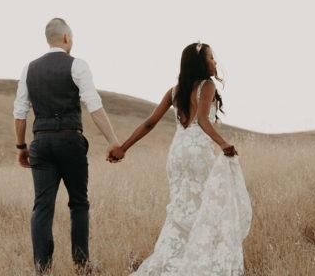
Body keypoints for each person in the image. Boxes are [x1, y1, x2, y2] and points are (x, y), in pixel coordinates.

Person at [108, 42, 253, 275]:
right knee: (206, 206)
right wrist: (223, 143)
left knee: (181, 206)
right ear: (201, 63)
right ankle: (199, 263)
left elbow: (149, 122)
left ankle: (175, 259)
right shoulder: (207, 86)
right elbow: (204, 121)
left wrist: (124, 147)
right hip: (197, 151)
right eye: (212, 58)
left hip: (177, 151)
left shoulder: (175, 91)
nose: (215, 62)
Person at [13, 17, 123, 273]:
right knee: (79, 203)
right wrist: (113, 141)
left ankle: (42, 268)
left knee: (42, 206)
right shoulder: (78, 65)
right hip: (70, 141)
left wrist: (21, 147)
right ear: (66, 38)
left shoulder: (28, 68)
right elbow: (93, 105)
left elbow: (20, 112)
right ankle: (82, 264)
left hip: (41, 143)